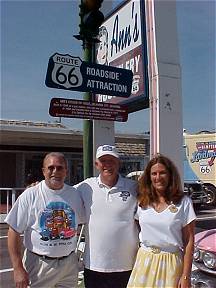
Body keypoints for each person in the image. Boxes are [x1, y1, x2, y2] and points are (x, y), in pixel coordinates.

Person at [5, 152, 84, 288]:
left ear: (66, 171)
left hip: (69, 265)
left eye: (60, 168)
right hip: (38, 265)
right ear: (43, 171)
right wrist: (17, 268)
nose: (55, 172)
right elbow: (13, 231)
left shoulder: (75, 194)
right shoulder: (30, 195)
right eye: (50, 168)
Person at [127, 154, 196, 288]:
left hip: (171, 263)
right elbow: (139, 227)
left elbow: (189, 241)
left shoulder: (184, 202)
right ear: (149, 177)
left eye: (162, 173)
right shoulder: (142, 202)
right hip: (145, 262)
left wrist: (186, 276)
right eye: (154, 174)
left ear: (170, 175)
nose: (158, 177)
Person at [75, 144, 139, 288]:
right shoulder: (85, 187)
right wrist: (38, 186)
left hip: (127, 265)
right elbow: (60, 194)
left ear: (118, 163)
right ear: (96, 164)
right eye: (103, 161)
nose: (108, 165)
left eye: (112, 161)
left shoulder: (133, 187)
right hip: (94, 265)